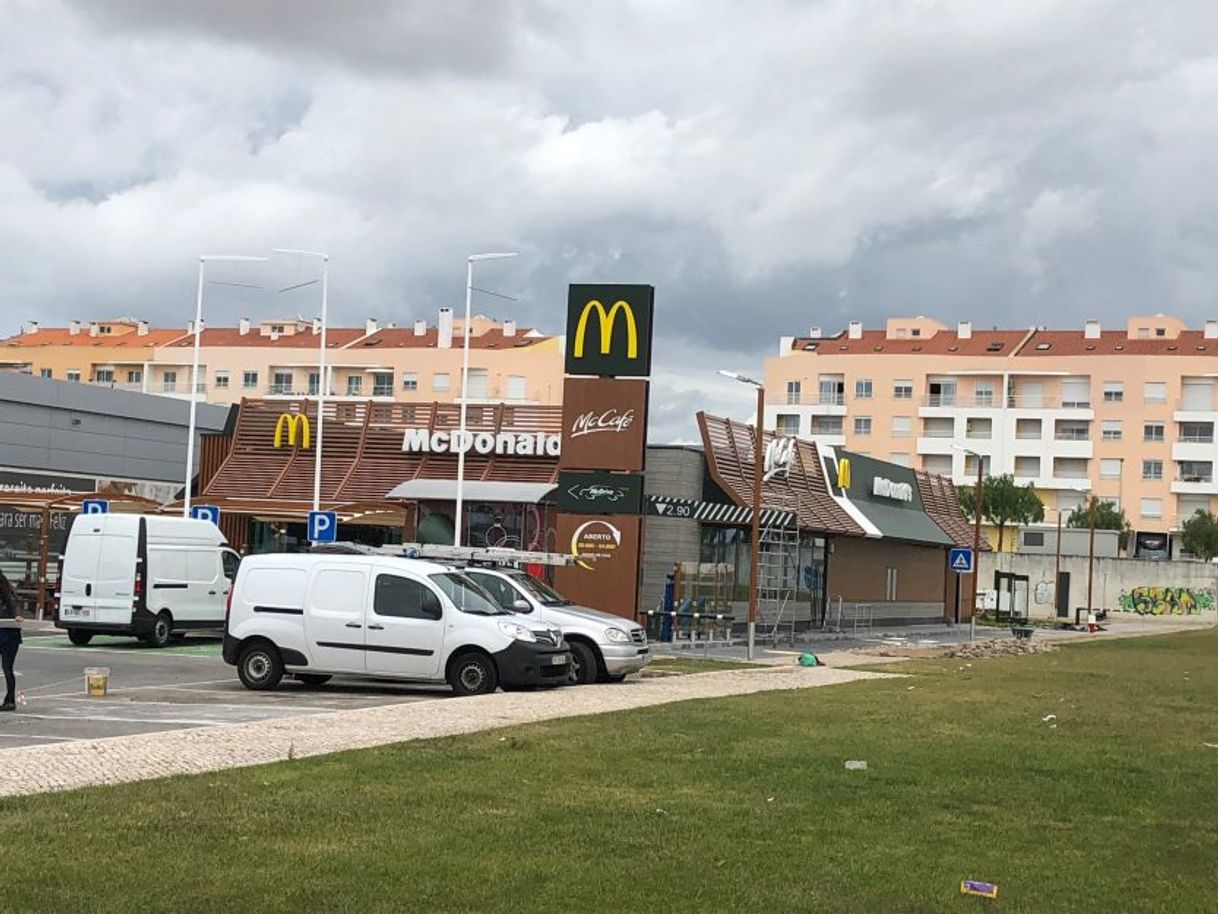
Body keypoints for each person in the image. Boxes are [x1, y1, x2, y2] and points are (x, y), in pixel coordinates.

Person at [0, 570, 22, 711]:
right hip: (4, 634)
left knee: (7, 668)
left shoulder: (8, 596)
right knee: (7, 668)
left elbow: (15, 608)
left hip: (9, 637)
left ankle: (10, 700)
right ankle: (9, 699)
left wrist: (17, 616)